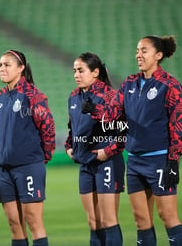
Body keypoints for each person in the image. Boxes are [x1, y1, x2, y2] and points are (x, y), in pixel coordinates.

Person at [82, 35, 182, 245]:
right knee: (141, 221)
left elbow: (179, 126)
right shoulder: (129, 82)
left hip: (159, 160)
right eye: (138, 50)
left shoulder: (170, 85)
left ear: (158, 55)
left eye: (144, 50)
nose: (138, 54)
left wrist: (173, 160)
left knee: (167, 217)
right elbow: (113, 112)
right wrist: (96, 111)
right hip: (135, 162)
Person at [0, 49, 55, 246]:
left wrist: (42, 156)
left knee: (33, 221)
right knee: (14, 224)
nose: (2, 69)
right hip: (4, 168)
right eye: (0, 65)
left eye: (7, 65)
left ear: (21, 68)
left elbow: (47, 124)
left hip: (28, 165)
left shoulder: (33, 94)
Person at [65, 52, 126, 246]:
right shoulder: (73, 96)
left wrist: (107, 152)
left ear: (95, 72)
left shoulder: (110, 95)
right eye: (75, 70)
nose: (76, 74)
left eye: (81, 70)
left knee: (109, 221)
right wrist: (69, 146)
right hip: (85, 164)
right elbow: (72, 127)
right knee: (93, 222)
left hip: (106, 162)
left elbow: (123, 130)